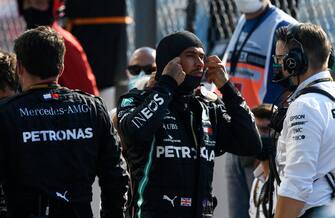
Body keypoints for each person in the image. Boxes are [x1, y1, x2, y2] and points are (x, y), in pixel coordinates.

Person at [116, 30, 262, 218]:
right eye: (191, 56)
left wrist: (227, 88)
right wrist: (167, 83)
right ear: (171, 62)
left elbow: (251, 144)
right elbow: (134, 132)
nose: (200, 63)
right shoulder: (135, 101)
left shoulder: (208, 108)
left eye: (202, 57)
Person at [0, 26, 127, 218]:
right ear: (61, 67)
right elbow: (116, 177)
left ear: (19, 68)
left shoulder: (7, 113)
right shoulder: (92, 108)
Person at [220, 1, 297, 217]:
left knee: (262, 210)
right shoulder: (243, 22)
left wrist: (268, 136)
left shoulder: (283, 27)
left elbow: (287, 86)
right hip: (236, 132)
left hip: (261, 137)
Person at [272, 23, 335, 218]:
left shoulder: (305, 106)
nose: (278, 66)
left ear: (295, 61)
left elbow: (297, 185)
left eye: (281, 59)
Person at [17, 0, 100, 96]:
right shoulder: (24, 41)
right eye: (27, 3)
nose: (31, 9)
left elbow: (86, 93)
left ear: (53, 6)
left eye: (39, 3)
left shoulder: (64, 42)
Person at [247, 103, 274, 218]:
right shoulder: (257, 180)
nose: (259, 136)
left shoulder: (287, 178)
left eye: (265, 129)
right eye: (255, 130)